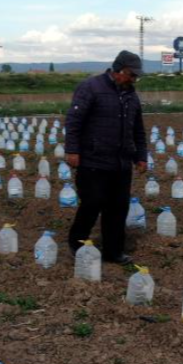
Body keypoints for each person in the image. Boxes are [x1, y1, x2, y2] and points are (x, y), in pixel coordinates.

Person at [65, 50, 148, 265]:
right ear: (119, 70)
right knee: (92, 202)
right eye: (131, 75)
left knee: (119, 207)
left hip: (120, 162)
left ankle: (113, 252)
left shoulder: (131, 95)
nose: (133, 79)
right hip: (93, 159)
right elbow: (74, 120)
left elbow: (138, 128)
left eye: (135, 76)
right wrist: (72, 150)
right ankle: (77, 244)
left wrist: (141, 156)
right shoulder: (91, 87)